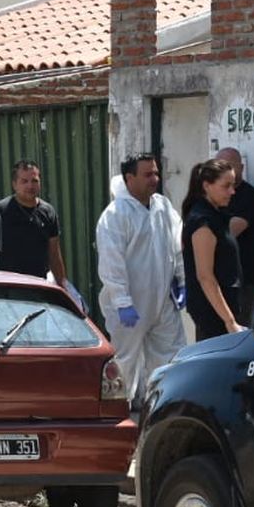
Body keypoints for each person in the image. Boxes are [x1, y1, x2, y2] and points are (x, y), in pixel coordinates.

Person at [95, 155, 186, 407]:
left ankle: (163, 405)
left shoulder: (163, 206)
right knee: (125, 360)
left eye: (156, 173)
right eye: (147, 174)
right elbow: (112, 263)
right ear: (129, 178)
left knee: (171, 354)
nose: (154, 179)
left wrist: (181, 279)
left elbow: (177, 244)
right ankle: (116, 412)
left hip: (162, 301)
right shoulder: (115, 215)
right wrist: (122, 301)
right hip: (129, 304)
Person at [181, 158, 244, 339]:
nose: (232, 192)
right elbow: (205, 276)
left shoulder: (217, 215)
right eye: (226, 186)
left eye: (233, 185)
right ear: (207, 186)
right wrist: (229, 321)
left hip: (225, 307)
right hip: (213, 314)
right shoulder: (203, 221)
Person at [0, 161, 70, 288]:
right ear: (14, 184)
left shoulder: (48, 212)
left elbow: (54, 254)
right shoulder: (0, 211)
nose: (30, 186)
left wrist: (62, 286)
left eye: (34, 181)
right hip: (7, 287)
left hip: (39, 286)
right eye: (24, 181)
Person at [216, 148, 254, 321]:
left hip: (241, 282)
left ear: (241, 168)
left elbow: (226, 232)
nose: (225, 171)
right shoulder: (213, 198)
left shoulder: (249, 197)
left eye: (230, 166)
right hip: (217, 280)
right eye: (220, 167)